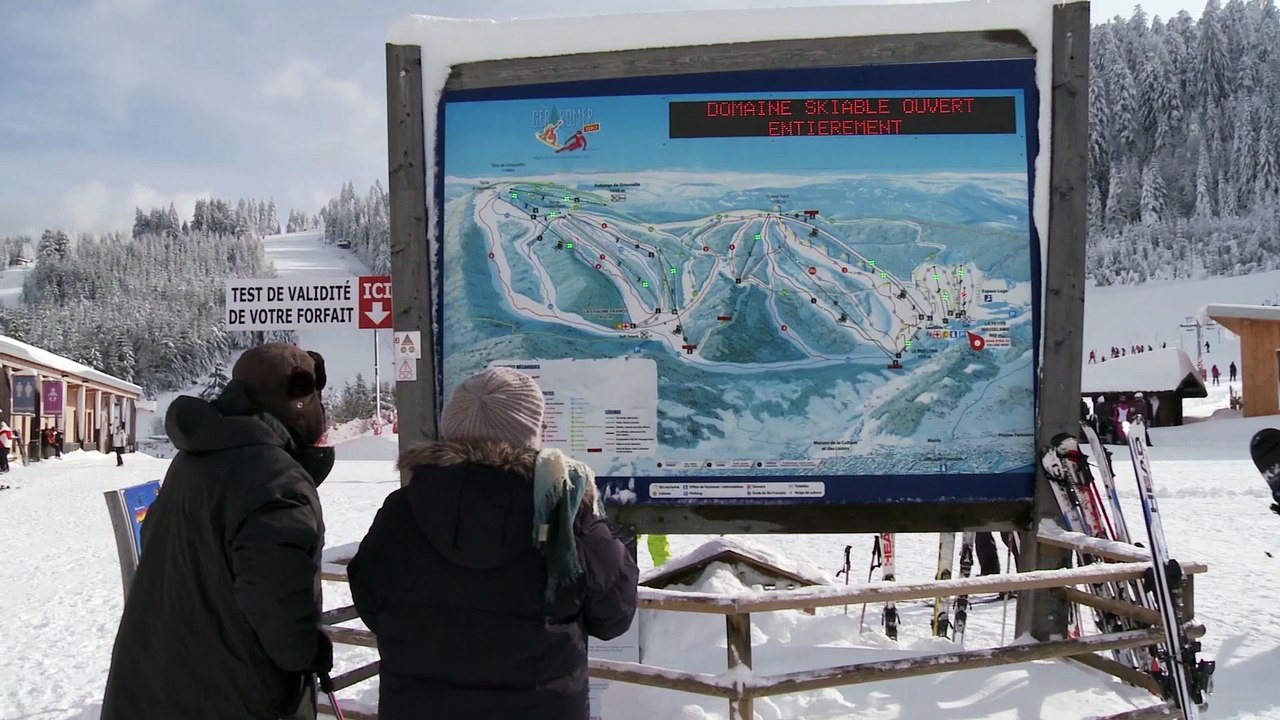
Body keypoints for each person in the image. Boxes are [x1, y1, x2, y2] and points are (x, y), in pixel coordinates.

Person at [348, 367, 638, 720]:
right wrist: (593, 520)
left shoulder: (402, 512)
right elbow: (614, 615)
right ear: (531, 433)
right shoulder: (565, 514)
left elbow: (370, 600)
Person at [101, 343, 335, 720]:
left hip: (155, 688)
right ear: (300, 403)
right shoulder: (276, 479)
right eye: (317, 399)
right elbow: (280, 617)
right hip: (234, 697)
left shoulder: (197, 456)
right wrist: (310, 650)